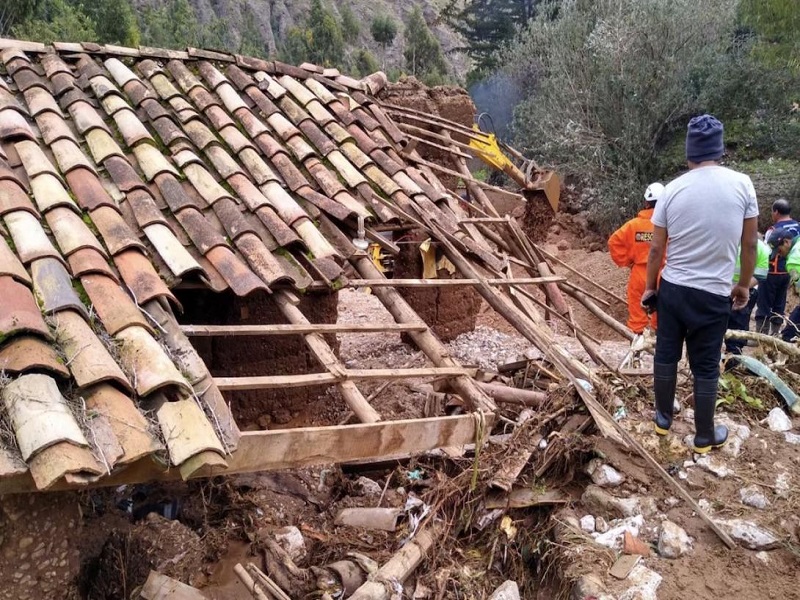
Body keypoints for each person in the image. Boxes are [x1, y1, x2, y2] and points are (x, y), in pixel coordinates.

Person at [642, 114, 759, 454]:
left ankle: (662, 420)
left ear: (688, 153)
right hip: (713, 293)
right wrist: (742, 286)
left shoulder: (673, 189)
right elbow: (749, 244)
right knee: (706, 363)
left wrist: (651, 288)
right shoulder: (743, 185)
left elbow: (655, 249)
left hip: (674, 289)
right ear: (719, 150)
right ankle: (704, 436)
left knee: (666, 352)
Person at [608, 182, 665, 334]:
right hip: (663, 274)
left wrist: (627, 261)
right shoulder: (668, 225)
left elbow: (614, 242)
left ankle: (636, 352)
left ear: (646, 202)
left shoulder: (633, 225)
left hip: (639, 274)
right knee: (661, 317)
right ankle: (658, 351)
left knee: (637, 317)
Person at [756, 199, 800, 334]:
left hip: (771, 272)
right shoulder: (798, 227)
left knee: (764, 303)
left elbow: (765, 251)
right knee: (779, 303)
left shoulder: (773, 230)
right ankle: (775, 334)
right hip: (786, 275)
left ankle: (762, 335)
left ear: (775, 212)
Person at [724, 239, 770, 357]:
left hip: (731, 290)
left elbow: (760, 274)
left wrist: (739, 288)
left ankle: (732, 360)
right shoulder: (761, 247)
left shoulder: (725, 239)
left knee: (735, 330)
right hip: (739, 289)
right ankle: (732, 360)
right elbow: (760, 275)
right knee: (736, 328)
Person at [768, 228, 800, 341]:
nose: (779, 255)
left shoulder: (793, 261)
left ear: (786, 242)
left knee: (789, 334)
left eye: (779, 250)